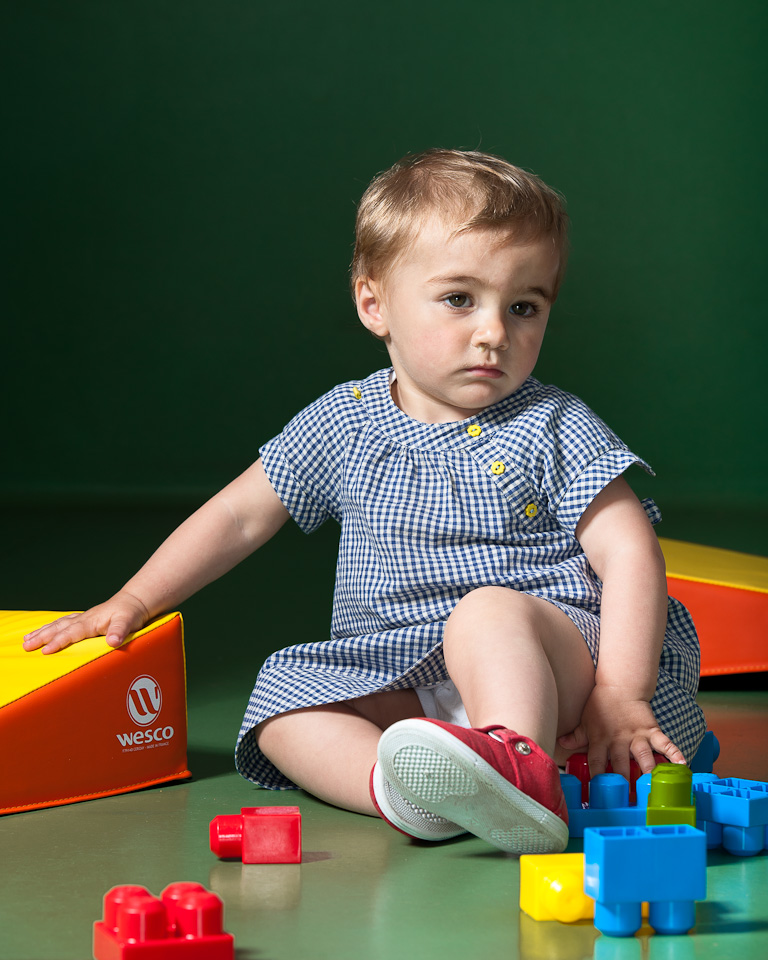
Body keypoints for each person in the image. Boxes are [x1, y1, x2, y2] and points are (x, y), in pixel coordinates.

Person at [22, 149, 705, 855]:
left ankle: (518, 767)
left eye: (524, 306)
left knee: (487, 610)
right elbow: (238, 515)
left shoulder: (551, 424)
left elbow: (629, 552)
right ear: (373, 303)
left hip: (558, 660)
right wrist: (133, 599)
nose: (495, 333)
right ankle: (411, 795)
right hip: (404, 667)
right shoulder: (343, 422)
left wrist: (620, 694)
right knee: (281, 705)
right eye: (459, 299)